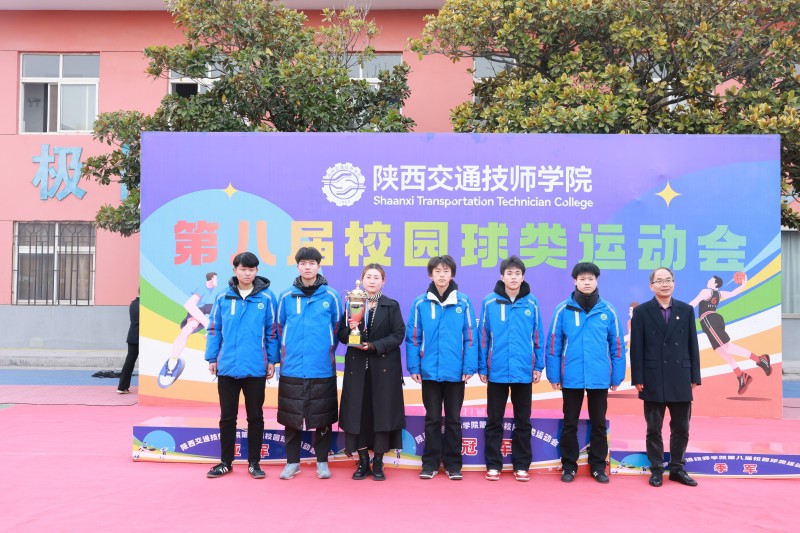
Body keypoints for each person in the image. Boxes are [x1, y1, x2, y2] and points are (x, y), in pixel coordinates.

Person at [546, 262, 624, 484]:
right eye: (582, 279)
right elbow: (553, 344)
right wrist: (554, 375)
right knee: (570, 422)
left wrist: (616, 376)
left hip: (599, 376)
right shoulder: (563, 310)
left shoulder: (607, 311)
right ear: (575, 281)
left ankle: (598, 466)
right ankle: (568, 466)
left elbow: (617, 345)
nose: (587, 282)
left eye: (591, 278)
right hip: (571, 376)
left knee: (598, 423)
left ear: (596, 281)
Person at [203, 252, 278, 479]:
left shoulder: (267, 298)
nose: (247, 273)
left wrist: (272, 360)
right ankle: (225, 462)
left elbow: (272, 331)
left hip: (256, 368)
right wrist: (212, 358)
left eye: (251, 269)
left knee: (255, 417)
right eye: (243, 269)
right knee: (227, 417)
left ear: (257, 271)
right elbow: (214, 328)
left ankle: (254, 463)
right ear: (234, 270)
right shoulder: (223, 297)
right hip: (227, 367)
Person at [406, 255, 479, 481]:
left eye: (446, 271)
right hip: (429, 372)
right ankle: (429, 464)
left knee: (454, 419)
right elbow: (413, 337)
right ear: (431, 274)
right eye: (437, 271)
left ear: (452, 274)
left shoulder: (463, 302)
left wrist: (469, 367)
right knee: (433, 419)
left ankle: (453, 465)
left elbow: (470, 337)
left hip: (456, 373)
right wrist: (414, 366)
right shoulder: (420, 303)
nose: (441, 275)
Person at [630, 267, 701, 487]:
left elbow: (692, 344)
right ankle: (657, 469)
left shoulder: (686, 310)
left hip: (680, 376)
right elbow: (636, 347)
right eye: (659, 281)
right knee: (654, 428)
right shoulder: (641, 311)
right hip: (652, 377)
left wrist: (695, 375)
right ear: (651, 285)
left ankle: (678, 468)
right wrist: (638, 377)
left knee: (682, 428)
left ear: (674, 283)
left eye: (668, 280)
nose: (665, 284)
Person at [276, 247, 341, 480]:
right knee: (291, 418)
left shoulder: (331, 296)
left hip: (321, 366)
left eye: (312, 263)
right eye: (303, 263)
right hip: (292, 366)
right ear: (297, 267)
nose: (307, 267)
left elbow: (337, 327)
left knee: (322, 417)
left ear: (318, 266)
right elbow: (279, 328)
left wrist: (326, 350)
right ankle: (292, 462)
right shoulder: (286, 296)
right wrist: (285, 354)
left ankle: (322, 462)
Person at [478, 256, 544, 482]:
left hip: (523, 371)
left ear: (523, 277)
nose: (513, 278)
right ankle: (493, 465)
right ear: (502, 276)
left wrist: (538, 365)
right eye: (509, 273)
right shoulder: (489, 302)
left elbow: (538, 336)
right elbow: (483, 337)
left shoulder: (531, 303)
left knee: (523, 420)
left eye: (517, 274)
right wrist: (482, 367)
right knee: (494, 420)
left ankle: (522, 465)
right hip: (496, 371)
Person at [338, 264, 406, 481]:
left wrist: (375, 346)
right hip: (357, 370)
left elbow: (398, 334)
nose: (372, 281)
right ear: (362, 280)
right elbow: (342, 335)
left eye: (377, 277)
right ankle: (362, 461)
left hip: (383, 369)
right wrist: (350, 328)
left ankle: (378, 462)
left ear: (383, 281)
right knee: (358, 414)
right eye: (368, 277)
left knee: (382, 415)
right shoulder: (353, 302)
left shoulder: (390, 305)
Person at [689, 274, 771, 395]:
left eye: (711, 279)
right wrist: (743, 285)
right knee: (721, 351)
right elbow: (733, 293)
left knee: (727, 347)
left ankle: (760, 359)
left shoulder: (706, 291)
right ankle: (741, 375)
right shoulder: (719, 294)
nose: (708, 280)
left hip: (709, 319)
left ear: (715, 283)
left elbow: (694, 302)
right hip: (711, 321)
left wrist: (681, 312)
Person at [159, 272, 222, 388]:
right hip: (200, 310)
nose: (217, 281)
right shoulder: (202, 288)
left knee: (218, 332)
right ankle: (173, 361)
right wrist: (206, 323)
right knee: (188, 329)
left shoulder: (218, 292)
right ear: (212, 279)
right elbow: (188, 305)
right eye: (216, 279)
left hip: (212, 309)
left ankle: (220, 363)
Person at [117, 291, 140, 394]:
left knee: (129, 362)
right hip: (141, 337)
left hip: (132, 336)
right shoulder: (143, 305)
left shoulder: (133, 304)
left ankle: (122, 387)